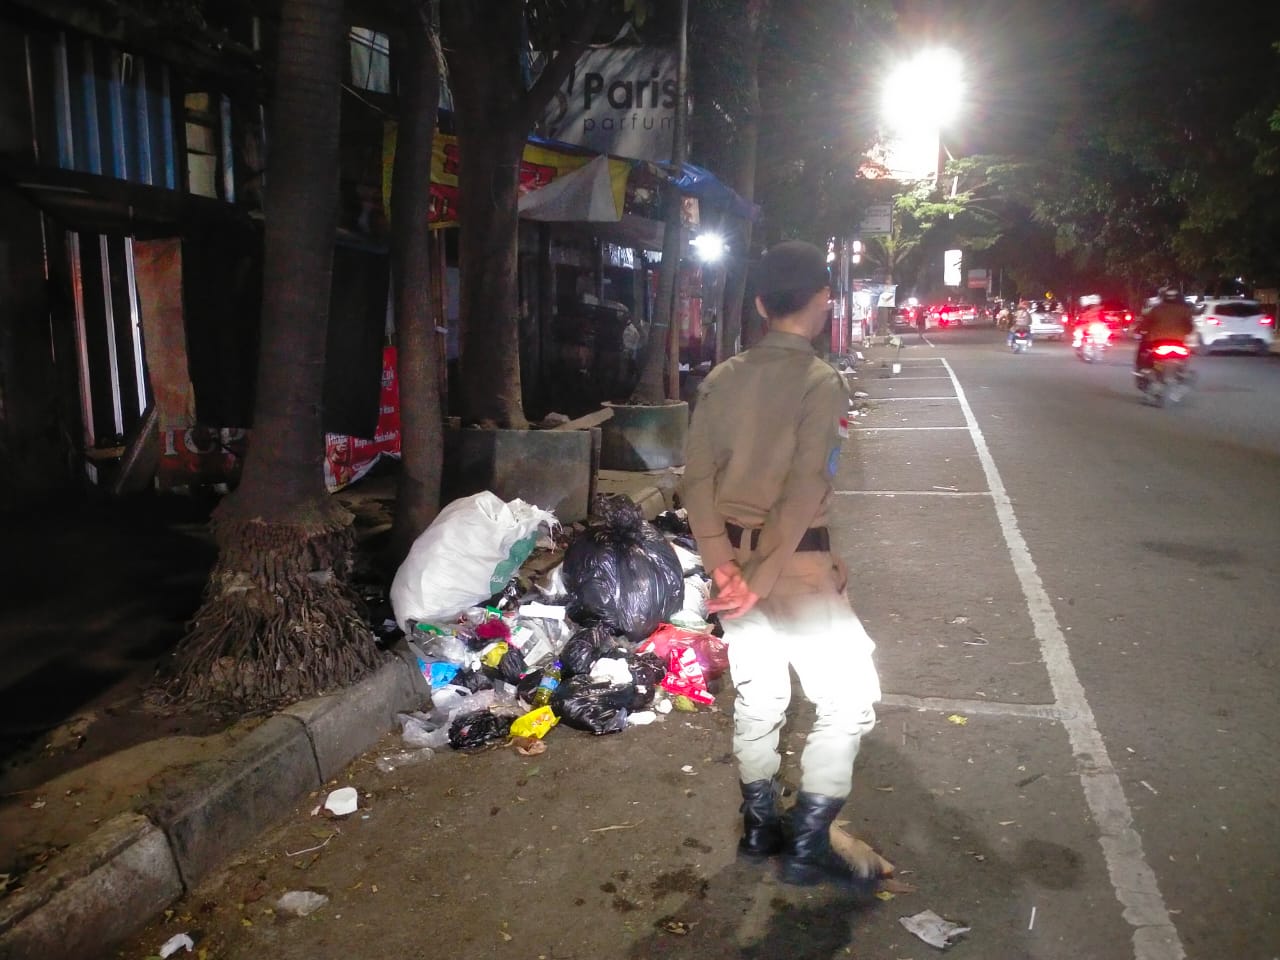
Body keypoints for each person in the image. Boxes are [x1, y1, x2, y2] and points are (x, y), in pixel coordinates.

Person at [682, 240, 883, 888]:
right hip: (789, 572)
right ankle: (808, 842)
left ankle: (760, 825)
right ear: (823, 301)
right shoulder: (823, 383)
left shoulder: (722, 378)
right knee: (850, 699)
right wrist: (762, 579)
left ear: (762, 304)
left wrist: (724, 570)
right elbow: (803, 496)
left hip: (734, 570)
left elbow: (695, 482)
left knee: (760, 694)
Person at [1134, 286, 1195, 371]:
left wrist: (1138, 331)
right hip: (1179, 341)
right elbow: (1190, 327)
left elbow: (1145, 323)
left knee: (1144, 351)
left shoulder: (1157, 309)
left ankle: (1142, 371)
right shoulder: (1184, 310)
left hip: (1158, 341)